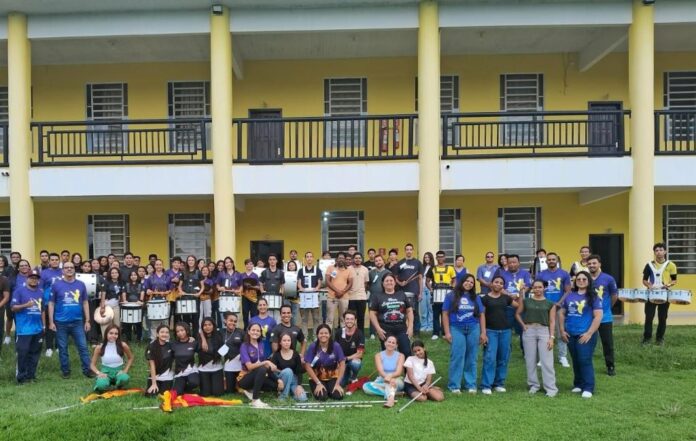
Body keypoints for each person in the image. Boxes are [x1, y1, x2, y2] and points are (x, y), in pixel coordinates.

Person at [559, 271, 603, 399]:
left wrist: (589, 333)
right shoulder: (569, 296)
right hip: (570, 334)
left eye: (584, 279)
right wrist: (562, 330)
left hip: (585, 334)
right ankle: (578, 384)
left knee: (584, 360)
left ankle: (588, 387)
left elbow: (598, 316)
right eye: (579, 279)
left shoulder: (593, 297)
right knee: (576, 360)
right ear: (575, 281)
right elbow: (561, 313)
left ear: (589, 281)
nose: (581, 281)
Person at [48, 262, 94, 379]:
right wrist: (51, 322)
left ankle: (87, 370)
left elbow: (85, 302)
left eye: (71, 267)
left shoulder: (81, 284)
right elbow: (51, 304)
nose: (69, 269)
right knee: (63, 348)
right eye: (66, 267)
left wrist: (87, 320)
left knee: (83, 347)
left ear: (74, 270)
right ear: (62, 270)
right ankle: (66, 371)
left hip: (77, 322)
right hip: (60, 322)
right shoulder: (56, 285)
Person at [443, 273, 485, 394]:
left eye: (472, 282)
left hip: (473, 328)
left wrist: (483, 332)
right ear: (461, 281)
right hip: (456, 328)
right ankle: (454, 385)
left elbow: (481, 315)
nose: (469, 284)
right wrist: (447, 332)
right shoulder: (450, 296)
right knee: (457, 356)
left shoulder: (476, 298)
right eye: (467, 281)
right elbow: (445, 314)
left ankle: (470, 385)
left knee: (472, 357)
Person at [516, 280, 558, 397]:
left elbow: (552, 321)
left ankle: (551, 388)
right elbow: (517, 313)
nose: (537, 289)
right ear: (532, 288)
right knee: (530, 360)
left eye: (540, 287)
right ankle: (533, 385)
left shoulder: (550, 303)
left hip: (544, 331)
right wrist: (523, 325)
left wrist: (551, 337)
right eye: (535, 287)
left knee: (547, 361)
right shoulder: (527, 301)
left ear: (544, 288)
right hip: (529, 330)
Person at [480, 275, 517, 395]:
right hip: (491, 331)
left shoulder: (506, 298)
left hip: (505, 331)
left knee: (503, 358)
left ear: (503, 286)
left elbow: (519, 306)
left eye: (501, 283)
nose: (498, 284)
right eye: (496, 282)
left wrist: (521, 294)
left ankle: (499, 384)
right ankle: (486, 385)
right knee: (490, 358)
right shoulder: (485, 299)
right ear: (491, 283)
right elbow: (482, 316)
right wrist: (483, 332)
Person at [536, 252, 571, 367]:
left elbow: (568, 291)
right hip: (544, 307)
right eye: (549, 259)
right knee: (544, 333)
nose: (551, 261)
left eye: (553, 259)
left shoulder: (564, 274)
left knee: (561, 331)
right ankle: (543, 357)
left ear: (557, 261)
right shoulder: (541, 275)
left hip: (559, 307)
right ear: (546, 261)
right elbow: (538, 291)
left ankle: (562, 356)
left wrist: (559, 303)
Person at [586, 254, 618, 376]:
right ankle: (586, 365)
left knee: (607, 343)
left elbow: (614, 296)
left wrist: (607, 308)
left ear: (599, 264)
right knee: (586, 341)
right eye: (589, 264)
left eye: (594, 263)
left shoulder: (608, 279)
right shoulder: (584, 278)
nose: (592, 265)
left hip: (605, 317)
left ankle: (610, 366)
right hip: (588, 317)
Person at [11, 270, 44, 384]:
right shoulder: (19, 291)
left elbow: (42, 310)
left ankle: (31, 376)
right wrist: (26, 305)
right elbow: (13, 308)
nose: (34, 280)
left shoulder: (40, 292)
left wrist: (44, 326)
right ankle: (21, 377)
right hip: (24, 330)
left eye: (36, 278)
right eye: (31, 278)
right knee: (23, 353)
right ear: (27, 279)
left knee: (35, 354)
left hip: (38, 329)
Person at [642, 242, 678, 346]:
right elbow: (644, 280)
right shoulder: (649, 265)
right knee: (649, 317)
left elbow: (674, 280)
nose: (659, 252)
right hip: (651, 294)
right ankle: (647, 339)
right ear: (654, 252)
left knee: (662, 317)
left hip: (665, 294)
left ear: (665, 251)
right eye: (656, 250)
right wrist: (649, 285)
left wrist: (668, 285)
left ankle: (660, 338)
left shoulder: (671, 265)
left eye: (661, 250)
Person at [369, 273, 414, 356]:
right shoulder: (377, 296)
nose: (389, 282)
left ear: (395, 282)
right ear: (383, 283)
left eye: (391, 280)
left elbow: (409, 310)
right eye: (386, 281)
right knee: (388, 354)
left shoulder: (401, 294)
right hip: (385, 330)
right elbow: (372, 313)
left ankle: (405, 365)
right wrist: (378, 329)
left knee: (406, 352)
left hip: (402, 329)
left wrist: (410, 326)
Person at [495, 254, 532, 351]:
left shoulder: (525, 274)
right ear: (507, 263)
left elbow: (528, 286)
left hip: (522, 306)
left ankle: (525, 350)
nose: (512, 264)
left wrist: (519, 295)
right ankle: (507, 349)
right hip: (507, 306)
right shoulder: (502, 274)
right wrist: (509, 295)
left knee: (523, 328)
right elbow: (499, 287)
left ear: (518, 263)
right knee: (506, 329)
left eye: (514, 262)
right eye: (510, 262)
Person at [238, 323, 278, 408]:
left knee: (275, 386)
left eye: (258, 331)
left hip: (259, 375)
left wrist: (278, 380)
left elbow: (265, 365)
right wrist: (266, 362)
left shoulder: (261, 344)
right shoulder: (244, 346)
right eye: (253, 330)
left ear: (260, 333)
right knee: (262, 369)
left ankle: (252, 391)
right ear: (248, 331)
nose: (255, 332)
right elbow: (249, 367)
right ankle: (255, 400)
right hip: (245, 378)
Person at [303, 323, 346, 401]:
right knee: (322, 397)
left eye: (326, 333)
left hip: (332, 377)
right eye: (321, 333)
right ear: (317, 335)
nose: (323, 335)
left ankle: (329, 388)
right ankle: (323, 388)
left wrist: (337, 383)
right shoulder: (313, 346)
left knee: (338, 396)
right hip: (317, 378)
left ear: (330, 334)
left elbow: (342, 364)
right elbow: (307, 366)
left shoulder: (336, 346)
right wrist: (318, 383)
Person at [363, 334, 405, 408]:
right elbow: (381, 371)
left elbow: (398, 372)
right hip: (382, 379)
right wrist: (387, 378)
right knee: (366, 387)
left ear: (396, 345)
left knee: (391, 383)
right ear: (385, 343)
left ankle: (390, 400)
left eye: (393, 343)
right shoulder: (378, 355)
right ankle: (394, 393)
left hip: (396, 379)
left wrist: (390, 377)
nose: (391, 344)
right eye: (389, 342)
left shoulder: (401, 356)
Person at [89, 324, 133, 392]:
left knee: (124, 378)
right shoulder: (99, 347)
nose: (113, 335)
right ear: (106, 334)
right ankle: (106, 384)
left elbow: (131, 358)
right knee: (101, 385)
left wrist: (125, 371)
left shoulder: (123, 345)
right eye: (111, 333)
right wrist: (99, 373)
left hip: (118, 372)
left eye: (116, 334)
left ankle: (119, 384)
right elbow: (92, 365)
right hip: (106, 372)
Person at [269, 332, 307, 401]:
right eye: (284, 340)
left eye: (288, 340)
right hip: (282, 379)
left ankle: (289, 392)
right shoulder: (276, 355)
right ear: (280, 342)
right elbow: (271, 370)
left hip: (293, 380)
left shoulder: (295, 354)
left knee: (302, 398)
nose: (287, 343)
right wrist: (278, 380)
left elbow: (299, 371)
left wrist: (299, 385)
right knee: (288, 371)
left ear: (291, 342)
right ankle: (283, 396)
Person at [394, 243, 422, 336]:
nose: (409, 251)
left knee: (415, 312)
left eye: (410, 249)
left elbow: (420, 278)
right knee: (402, 311)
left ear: (412, 250)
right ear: (405, 251)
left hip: (414, 291)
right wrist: (400, 283)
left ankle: (416, 331)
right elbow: (395, 277)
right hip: (402, 291)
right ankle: (404, 330)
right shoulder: (400, 263)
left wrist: (420, 292)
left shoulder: (418, 263)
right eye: (407, 249)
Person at [427, 251, 456, 340]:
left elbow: (454, 280)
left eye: (442, 256)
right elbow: (427, 281)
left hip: (447, 294)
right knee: (436, 314)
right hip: (436, 294)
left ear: (444, 257)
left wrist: (452, 288)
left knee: (446, 314)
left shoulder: (450, 268)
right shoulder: (432, 268)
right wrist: (430, 289)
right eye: (438, 257)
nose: (440, 258)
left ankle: (444, 332)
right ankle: (435, 333)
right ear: (436, 258)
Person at [39, 253, 62, 357]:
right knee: (49, 325)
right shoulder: (44, 273)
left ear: (59, 261)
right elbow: (40, 288)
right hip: (48, 302)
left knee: (59, 325)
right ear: (49, 261)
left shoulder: (63, 271)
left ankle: (58, 346)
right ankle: (49, 347)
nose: (54, 261)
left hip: (61, 302)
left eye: (56, 259)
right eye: (52, 260)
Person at [335, 310, 364, 387]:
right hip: (341, 361)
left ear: (355, 320)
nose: (349, 321)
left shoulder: (359, 333)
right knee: (341, 384)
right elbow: (335, 350)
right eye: (347, 319)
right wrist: (338, 361)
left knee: (356, 364)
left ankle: (353, 377)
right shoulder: (339, 332)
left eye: (352, 319)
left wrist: (346, 358)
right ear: (344, 320)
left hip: (352, 360)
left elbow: (360, 354)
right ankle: (347, 372)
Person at [297, 251, 323, 339]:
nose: (309, 258)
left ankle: (316, 336)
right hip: (304, 296)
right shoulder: (301, 270)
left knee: (316, 318)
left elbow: (319, 282)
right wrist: (301, 288)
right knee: (304, 318)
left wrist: (316, 288)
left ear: (313, 258)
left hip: (314, 295)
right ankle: (305, 336)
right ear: (305, 259)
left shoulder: (317, 270)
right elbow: (299, 283)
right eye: (307, 257)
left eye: (310, 256)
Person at [144, 260, 172, 341]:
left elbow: (170, 289)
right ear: (154, 266)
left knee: (165, 321)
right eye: (157, 264)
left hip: (164, 301)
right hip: (154, 302)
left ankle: (166, 340)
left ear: (162, 266)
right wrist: (148, 291)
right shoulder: (150, 277)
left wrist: (167, 292)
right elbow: (147, 289)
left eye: (160, 264)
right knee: (154, 322)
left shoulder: (167, 277)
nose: (158, 266)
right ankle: (154, 340)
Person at [325, 252, 353, 330]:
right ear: (336, 259)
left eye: (343, 258)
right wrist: (337, 291)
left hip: (344, 297)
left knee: (343, 319)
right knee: (330, 319)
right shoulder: (330, 268)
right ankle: (328, 336)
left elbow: (350, 283)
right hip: (332, 297)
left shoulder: (349, 270)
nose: (341, 260)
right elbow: (327, 281)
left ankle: (343, 336)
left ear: (345, 260)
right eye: (339, 258)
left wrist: (342, 292)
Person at [197, 317, 224, 396]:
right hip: (204, 369)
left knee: (217, 393)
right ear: (202, 327)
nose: (207, 327)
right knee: (205, 394)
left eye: (209, 325)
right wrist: (203, 339)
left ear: (213, 326)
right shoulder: (199, 337)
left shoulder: (219, 335)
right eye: (205, 325)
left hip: (217, 368)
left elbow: (224, 349)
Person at [171, 322, 200, 395]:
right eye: (178, 331)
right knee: (178, 392)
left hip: (191, 370)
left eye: (182, 330)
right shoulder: (173, 344)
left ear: (187, 330)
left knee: (194, 383)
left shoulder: (193, 342)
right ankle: (182, 387)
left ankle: (188, 388)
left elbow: (202, 353)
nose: (180, 333)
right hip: (179, 372)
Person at [146, 324, 174, 396]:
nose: (164, 334)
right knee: (151, 394)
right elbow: (152, 366)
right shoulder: (151, 346)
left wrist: (190, 338)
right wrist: (154, 384)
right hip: (155, 376)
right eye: (162, 332)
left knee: (164, 394)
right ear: (157, 334)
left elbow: (182, 343)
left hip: (167, 376)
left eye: (167, 332)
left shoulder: (171, 345)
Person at [221, 312, 245, 394]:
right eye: (230, 320)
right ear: (225, 321)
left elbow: (246, 346)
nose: (233, 323)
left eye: (235, 321)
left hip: (240, 364)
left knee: (241, 388)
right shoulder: (221, 332)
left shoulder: (241, 332)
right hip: (228, 364)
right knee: (230, 391)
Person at [178, 255, 203, 335]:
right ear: (187, 262)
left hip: (195, 299)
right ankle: (187, 336)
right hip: (185, 299)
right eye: (189, 260)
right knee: (186, 319)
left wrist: (199, 293)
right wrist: (181, 291)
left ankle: (195, 337)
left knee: (196, 318)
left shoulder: (198, 272)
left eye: (192, 260)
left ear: (195, 262)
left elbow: (202, 286)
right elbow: (179, 286)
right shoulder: (183, 272)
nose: (191, 261)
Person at [367, 255, 390, 339]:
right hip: (373, 297)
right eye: (376, 261)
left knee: (384, 314)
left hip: (384, 296)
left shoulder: (388, 272)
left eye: (380, 260)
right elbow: (368, 284)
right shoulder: (371, 273)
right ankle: (372, 333)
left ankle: (384, 331)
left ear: (383, 261)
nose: (378, 262)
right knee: (372, 314)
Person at [347, 252, 369, 333]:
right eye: (356, 258)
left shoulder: (365, 269)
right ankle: (351, 333)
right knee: (351, 318)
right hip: (351, 297)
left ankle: (361, 334)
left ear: (362, 259)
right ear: (353, 259)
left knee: (361, 317)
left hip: (362, 297)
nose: (358, 259)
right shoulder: (348, 269)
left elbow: (366, 283)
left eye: (359, 258)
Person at [259, 254, 285, 322]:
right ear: (268, 261)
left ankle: (277, 329)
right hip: (267, 297)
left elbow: (282, 284)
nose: (272, 261)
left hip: (277, 297)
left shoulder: (281, 272)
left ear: (276, 261)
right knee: (268, 316)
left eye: (274, 259)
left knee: (277, 317)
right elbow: (260, 283)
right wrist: (262, 291)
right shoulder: (264, 272)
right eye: (270, 260)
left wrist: (282, 293)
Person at [100, 267, 125, 336]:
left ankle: (116, 339)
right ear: (110, 274)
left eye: (116, 272)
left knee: (117, 323)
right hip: (107, 305)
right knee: (106, 323)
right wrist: (102, 307)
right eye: (112, 273)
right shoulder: (106, 282)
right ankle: (105, 339)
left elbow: (122, 293)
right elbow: (103, 295)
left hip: (116, 305)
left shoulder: (121, 282)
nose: (114, 274)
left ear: (118, 274)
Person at [122, 269, 144, 342]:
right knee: (127, 323)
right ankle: (128, 339)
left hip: (138, 306)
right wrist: (124, 300)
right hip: (128, 306)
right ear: (130, 277)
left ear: (137, 276)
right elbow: (124, 293)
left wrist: (141, 301)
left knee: (139, 323)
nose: (133, 276)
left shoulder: (140, 285)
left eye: (135, 275)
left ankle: (138, 339)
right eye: (132, 275)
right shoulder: (126, 285)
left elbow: (142, 293)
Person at [240, 259, 261, 328]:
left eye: (251, 264)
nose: (249, 265)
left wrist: (251, 286)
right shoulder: (241, 275)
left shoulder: (255, 275)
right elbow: (239, 286)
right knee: (245, 313)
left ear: (253, 265)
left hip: (253, 297)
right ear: (245, 265)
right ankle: (245, 328)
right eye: (247, 264)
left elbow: (258, 287)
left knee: (254, 314)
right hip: (244, 296)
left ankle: (253, 328)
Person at [419, 252, 434, 333]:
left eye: (428, 257)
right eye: (425, 257)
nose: (426, 259)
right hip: (422, 289)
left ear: (431, 258)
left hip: (430, 288)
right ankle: (424, 325)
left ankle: (430, 326)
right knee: (423, 308)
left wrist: (431, 288)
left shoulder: (434, 268)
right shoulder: (422, 267)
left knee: (430, 308)